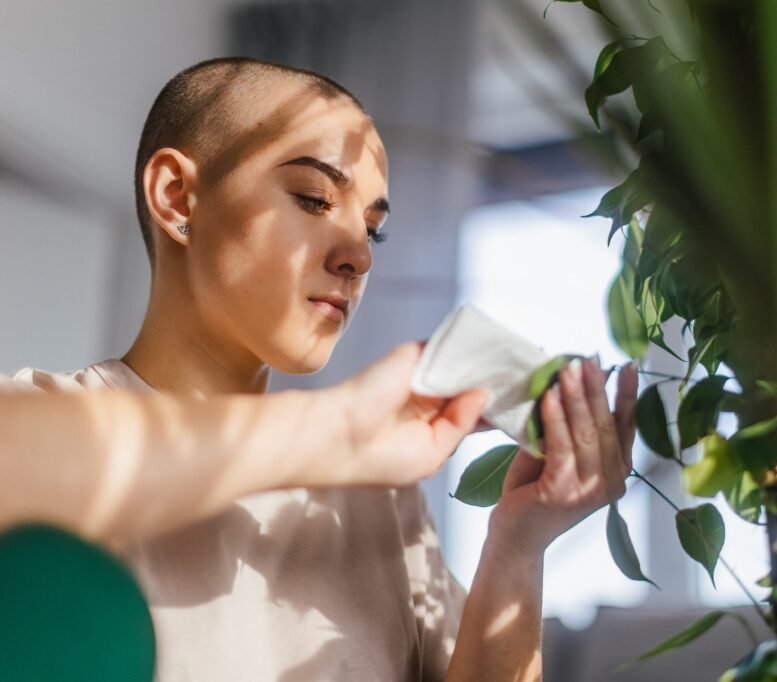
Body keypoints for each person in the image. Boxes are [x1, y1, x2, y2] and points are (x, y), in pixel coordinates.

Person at [0, 56, 638, 681]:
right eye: (312, 199)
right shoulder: (33, 426)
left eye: (373, 228)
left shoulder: (383, 509)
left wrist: (518, 547)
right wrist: (344, 428)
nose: (359, 254)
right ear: (177, 197)